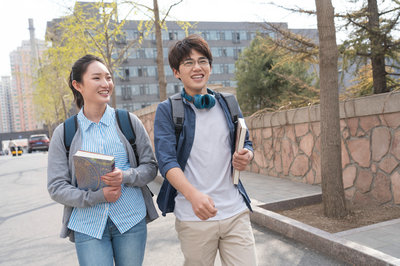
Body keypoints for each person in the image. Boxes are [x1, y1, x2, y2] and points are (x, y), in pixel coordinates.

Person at [154, 35, 257, 266]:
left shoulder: (229, 103)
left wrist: (246, 156)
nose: (197, 67)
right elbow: (167, 161)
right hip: (194, 217)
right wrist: (194, 196)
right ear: (176, 72)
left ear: (210, 67)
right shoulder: (168, 110)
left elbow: (246, 142)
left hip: (235, 211)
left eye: (202, 61)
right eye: (188, 63)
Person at [47, 54, 158, 266]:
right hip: (87, 225)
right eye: (97, 78)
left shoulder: (128, 122)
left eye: (108, 77)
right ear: (77, 85)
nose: (106, 83)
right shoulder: (65, 133)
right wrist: (97, 196)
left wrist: (124, 176)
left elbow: (150, 168)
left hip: (130, 220)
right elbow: (56, 187)